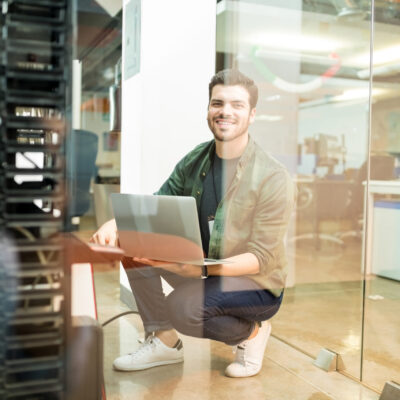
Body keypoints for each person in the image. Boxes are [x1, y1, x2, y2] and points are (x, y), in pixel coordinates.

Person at [91, 69, 296, 378]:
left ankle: (252, 334)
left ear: (252, 114)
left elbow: (261, 258)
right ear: (209, 109)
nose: (225, 111)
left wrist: (199, 269)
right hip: (204, 269)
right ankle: (165, 342)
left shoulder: (272, 176)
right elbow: (156, 206)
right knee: (131, 242)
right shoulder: (195, 160)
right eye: (218, 103)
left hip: (256, 284)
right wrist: (115, 223)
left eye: (237, 105)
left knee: (183, 308)